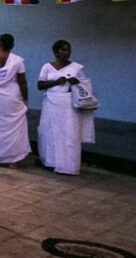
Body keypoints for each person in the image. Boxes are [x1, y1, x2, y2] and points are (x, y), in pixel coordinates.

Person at [37, 40, 95, 175]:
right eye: (63, 50)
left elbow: (85, 87)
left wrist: (77, 82)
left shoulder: (76, 68)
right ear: (56, 52)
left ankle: (68, 166)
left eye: (68, 50)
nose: (66, 52)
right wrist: (56, 82)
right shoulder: (47, 67)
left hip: (68, 106)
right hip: (50, 103)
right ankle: (50, 162)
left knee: (69, 134)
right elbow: (40, 85)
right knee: (49, 132)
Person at [0, 34, 30, 168]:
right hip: (12, 97)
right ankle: (14, 160)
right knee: (15, 127)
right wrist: (25, 99)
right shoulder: (18, 61)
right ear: (12, 45)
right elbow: (23, 83)